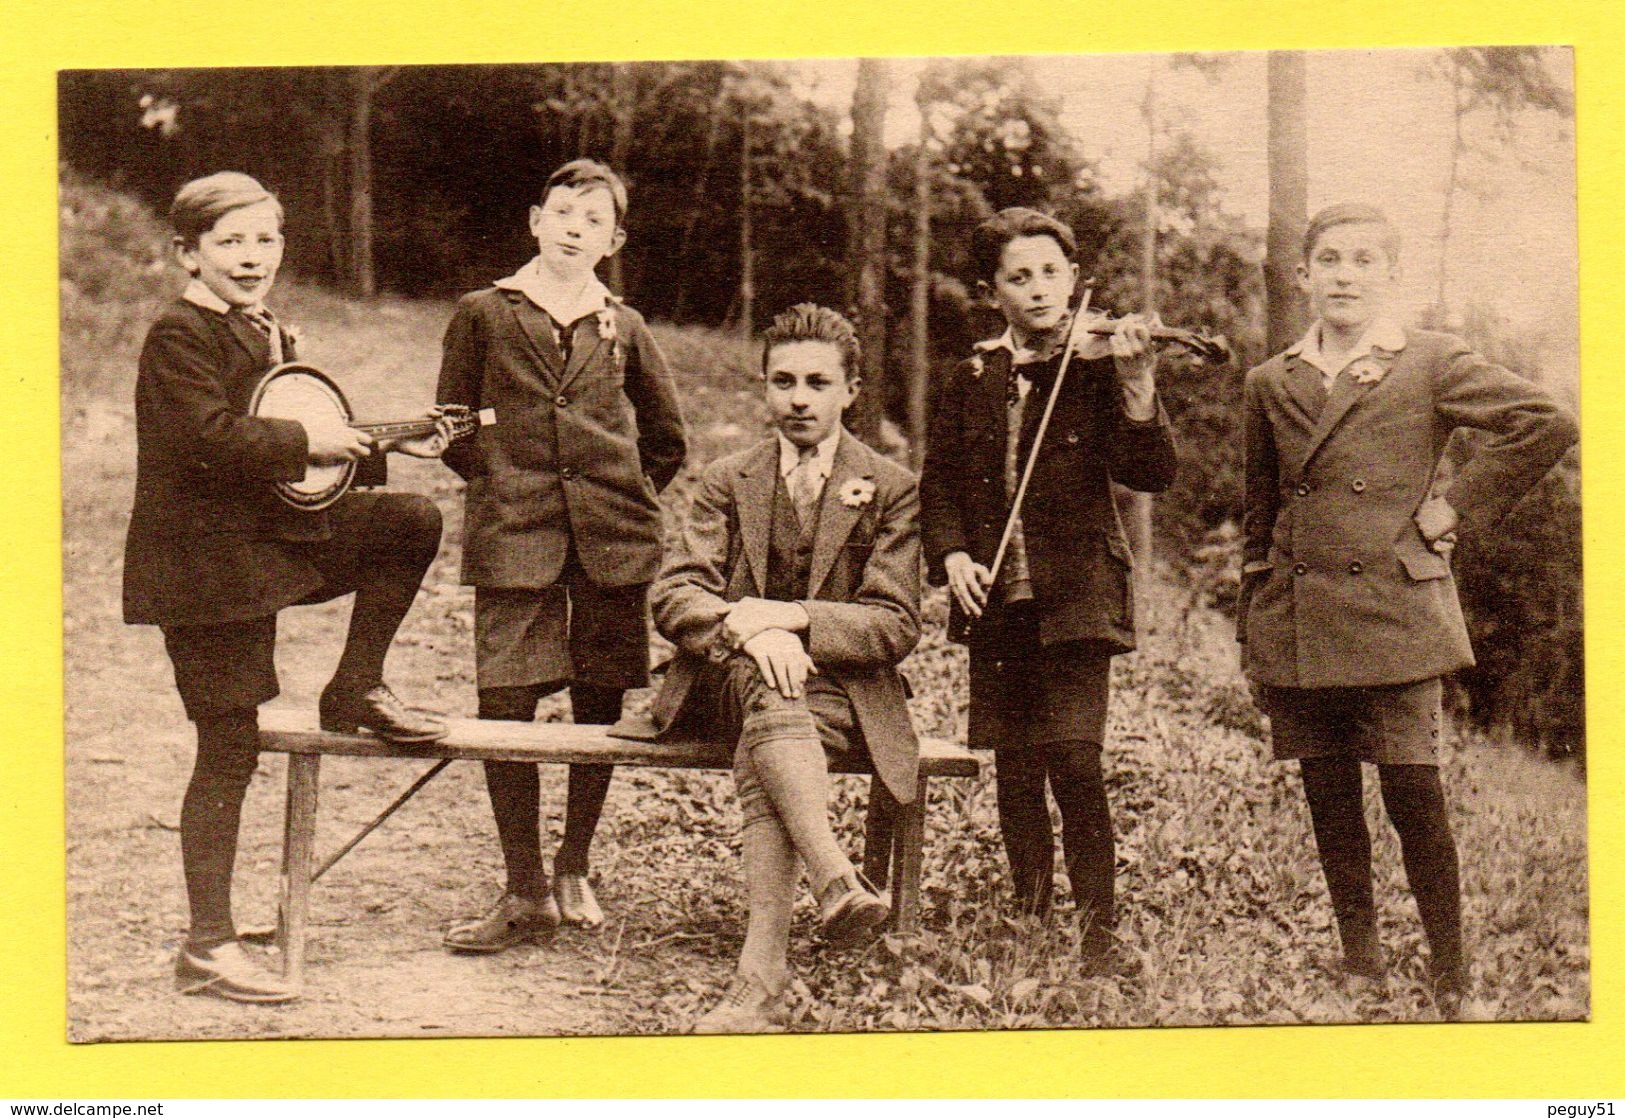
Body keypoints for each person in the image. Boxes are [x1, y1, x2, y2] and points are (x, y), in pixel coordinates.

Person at [1238, 202, 1578, 1015]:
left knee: (1412, 798)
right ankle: (1360, 968)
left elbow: (1545, 421)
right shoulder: (1269, 379)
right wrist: (1256, 615)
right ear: (1304, 275)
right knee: (1328, 800)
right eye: (1330, 260)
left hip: (1396, 615)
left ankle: (1453, 976)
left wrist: (1452, 508)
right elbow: (1258, 511)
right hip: (1300, 617)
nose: (1345, 274)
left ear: (1390, 276)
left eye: (1363, 260)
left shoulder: (1425, 361)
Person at [124, 171, 451, 1004]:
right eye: (228, 241)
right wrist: (319, 437)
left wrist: (380, 447)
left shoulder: (267, 329)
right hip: (205, 569)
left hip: (266, 544)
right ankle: (207, 946)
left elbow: (303, 455)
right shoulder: (177, 334)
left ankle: (353, 686)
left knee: (407, 521)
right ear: (186, 253)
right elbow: (210, 439)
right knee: (228, 749)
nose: (249, 256)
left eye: (264, 238)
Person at [645, 304, 920, 1033]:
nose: (799, 398)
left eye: (817, 383)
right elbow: (675, 592)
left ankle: (759, 982)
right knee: (766, 682)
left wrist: (791, 618)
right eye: (783, 381)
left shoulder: (889, 486)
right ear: (764, 387)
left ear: (849, 391)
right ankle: (834, 878)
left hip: (842, 695)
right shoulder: (727, 479)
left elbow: (894, 623)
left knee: (769, 737)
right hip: (725, 677)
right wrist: (741, 624)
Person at [435, 159, 687, 947]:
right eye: (563, 212)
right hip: (513, 535)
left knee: (601, 700)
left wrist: (624, 498)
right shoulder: (484, 312)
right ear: (535, 221)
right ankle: (523, 886)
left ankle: (575, 861)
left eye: (593, 219)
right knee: (503, 699)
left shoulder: (626, 325)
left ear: (612, 240)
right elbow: (451, 421)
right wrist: (500, 484)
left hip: (613, 544)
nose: (575, 228)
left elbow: (667, 437)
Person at [918, 207, 1177, 970]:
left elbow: (1150, 471)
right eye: (1018, 277)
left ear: (1072, 279)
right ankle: (1029, 914)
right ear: (991, 290)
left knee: (1073, 757)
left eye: (1050, 274)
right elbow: (940, 484)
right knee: (1014, 766)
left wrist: (1135, 382)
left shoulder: (1095, 366)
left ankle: (1100, 935)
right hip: (996, 596)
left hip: (1077, 592)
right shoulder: (973, 375)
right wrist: (955, 557)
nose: (1037, 290)